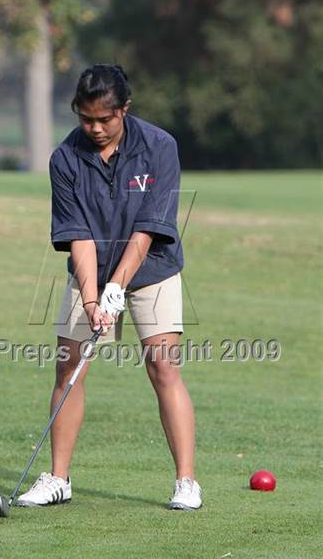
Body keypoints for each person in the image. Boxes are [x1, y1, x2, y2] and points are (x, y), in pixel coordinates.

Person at [17, 64, 202, 511]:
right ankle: (58, 478)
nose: (95, 128)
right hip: (90, 274)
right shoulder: (65, 159)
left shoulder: (159, 146)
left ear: (125, 109)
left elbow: (147, 229)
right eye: (86, 119)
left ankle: (186, 482)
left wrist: (117, 288)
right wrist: (92, 297)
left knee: (163, 369)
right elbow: (77, 236)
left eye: (105, 119)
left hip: (152, 269)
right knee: (69, 368)